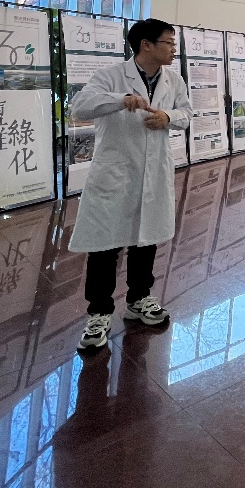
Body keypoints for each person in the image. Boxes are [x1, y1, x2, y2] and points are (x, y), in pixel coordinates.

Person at [69, 18, 192, 353]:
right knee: (105, 245)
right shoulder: (110, 76)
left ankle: (139, 299)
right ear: (146, 45)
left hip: (153, 172)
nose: (173, 49)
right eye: (168, 43)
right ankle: (98, 313)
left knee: (146, 237)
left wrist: (168, 117)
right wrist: (120, 99)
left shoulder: (174, 79)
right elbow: (79, 106)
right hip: (116, 174)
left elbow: (186, 113)